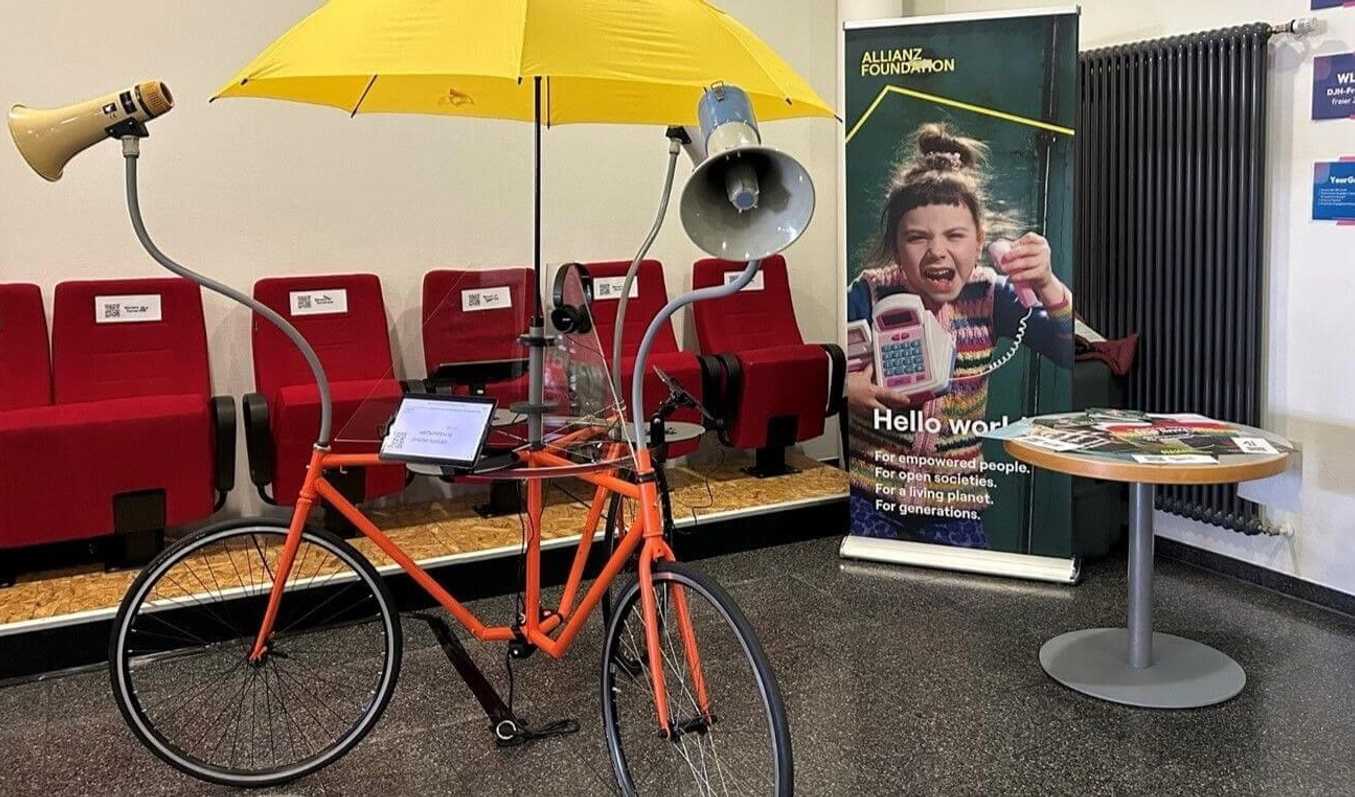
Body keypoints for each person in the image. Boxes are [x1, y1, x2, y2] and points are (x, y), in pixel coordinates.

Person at [845, 123, 1073, 548]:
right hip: (871, 496)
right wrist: (845, 386)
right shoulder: (868, 292)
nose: (937, 252)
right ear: (895, 246)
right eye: (917, 238)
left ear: (981, 241)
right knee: (868, 595)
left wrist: (1046, 285)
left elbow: (1070, 348)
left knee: (966, 602)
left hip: (955, 503)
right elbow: (821, 367)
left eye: (955, 236)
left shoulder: (993, 295)